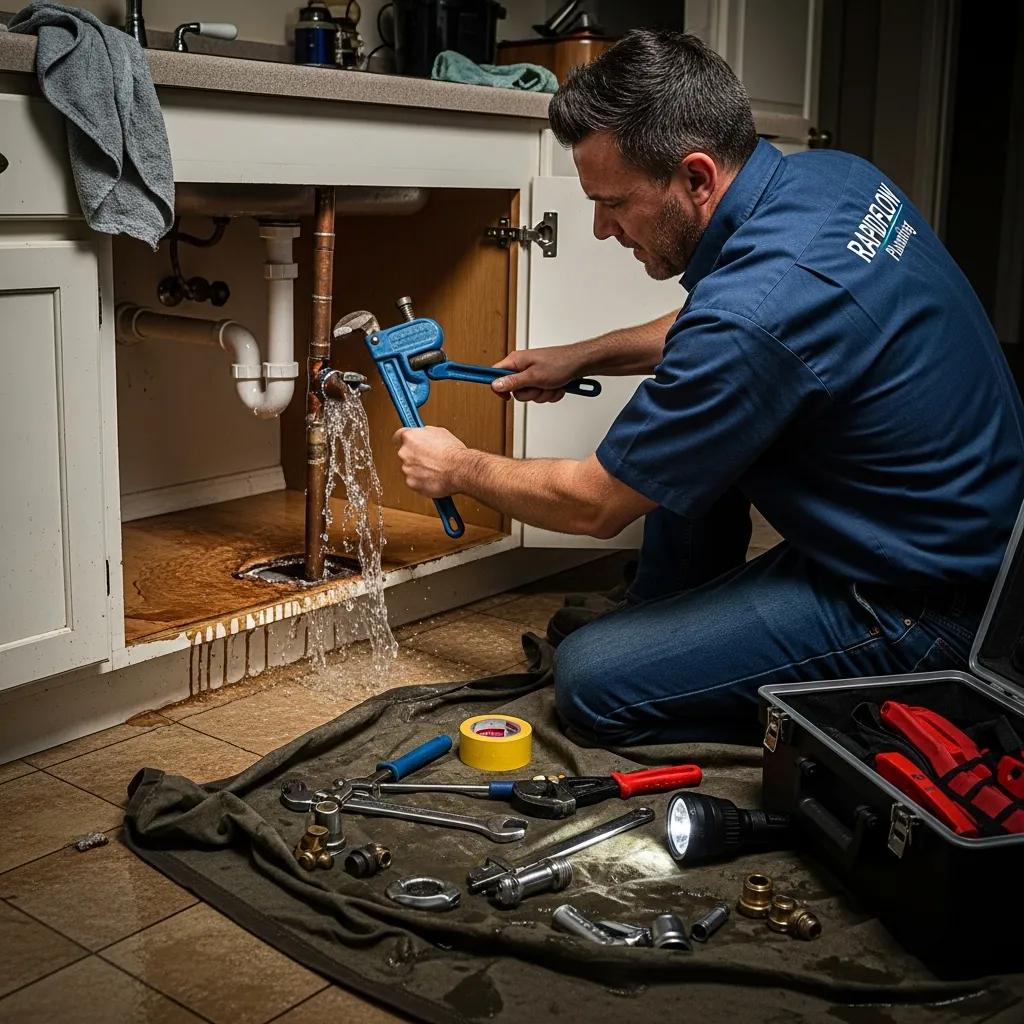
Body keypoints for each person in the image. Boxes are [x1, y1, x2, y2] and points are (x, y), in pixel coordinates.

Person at [392, 30, 1024, 746]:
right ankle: (672, 617)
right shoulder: (833, 179)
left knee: (593, 680)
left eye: (615, 203)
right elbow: (726, 327)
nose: (602, 229)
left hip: (923, 610)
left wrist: (459, 466)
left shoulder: (754, 318)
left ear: (696, 178)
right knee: (680, 420)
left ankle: (821, 694)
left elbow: (597, 503)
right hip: (970, 540)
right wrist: (583, 355)